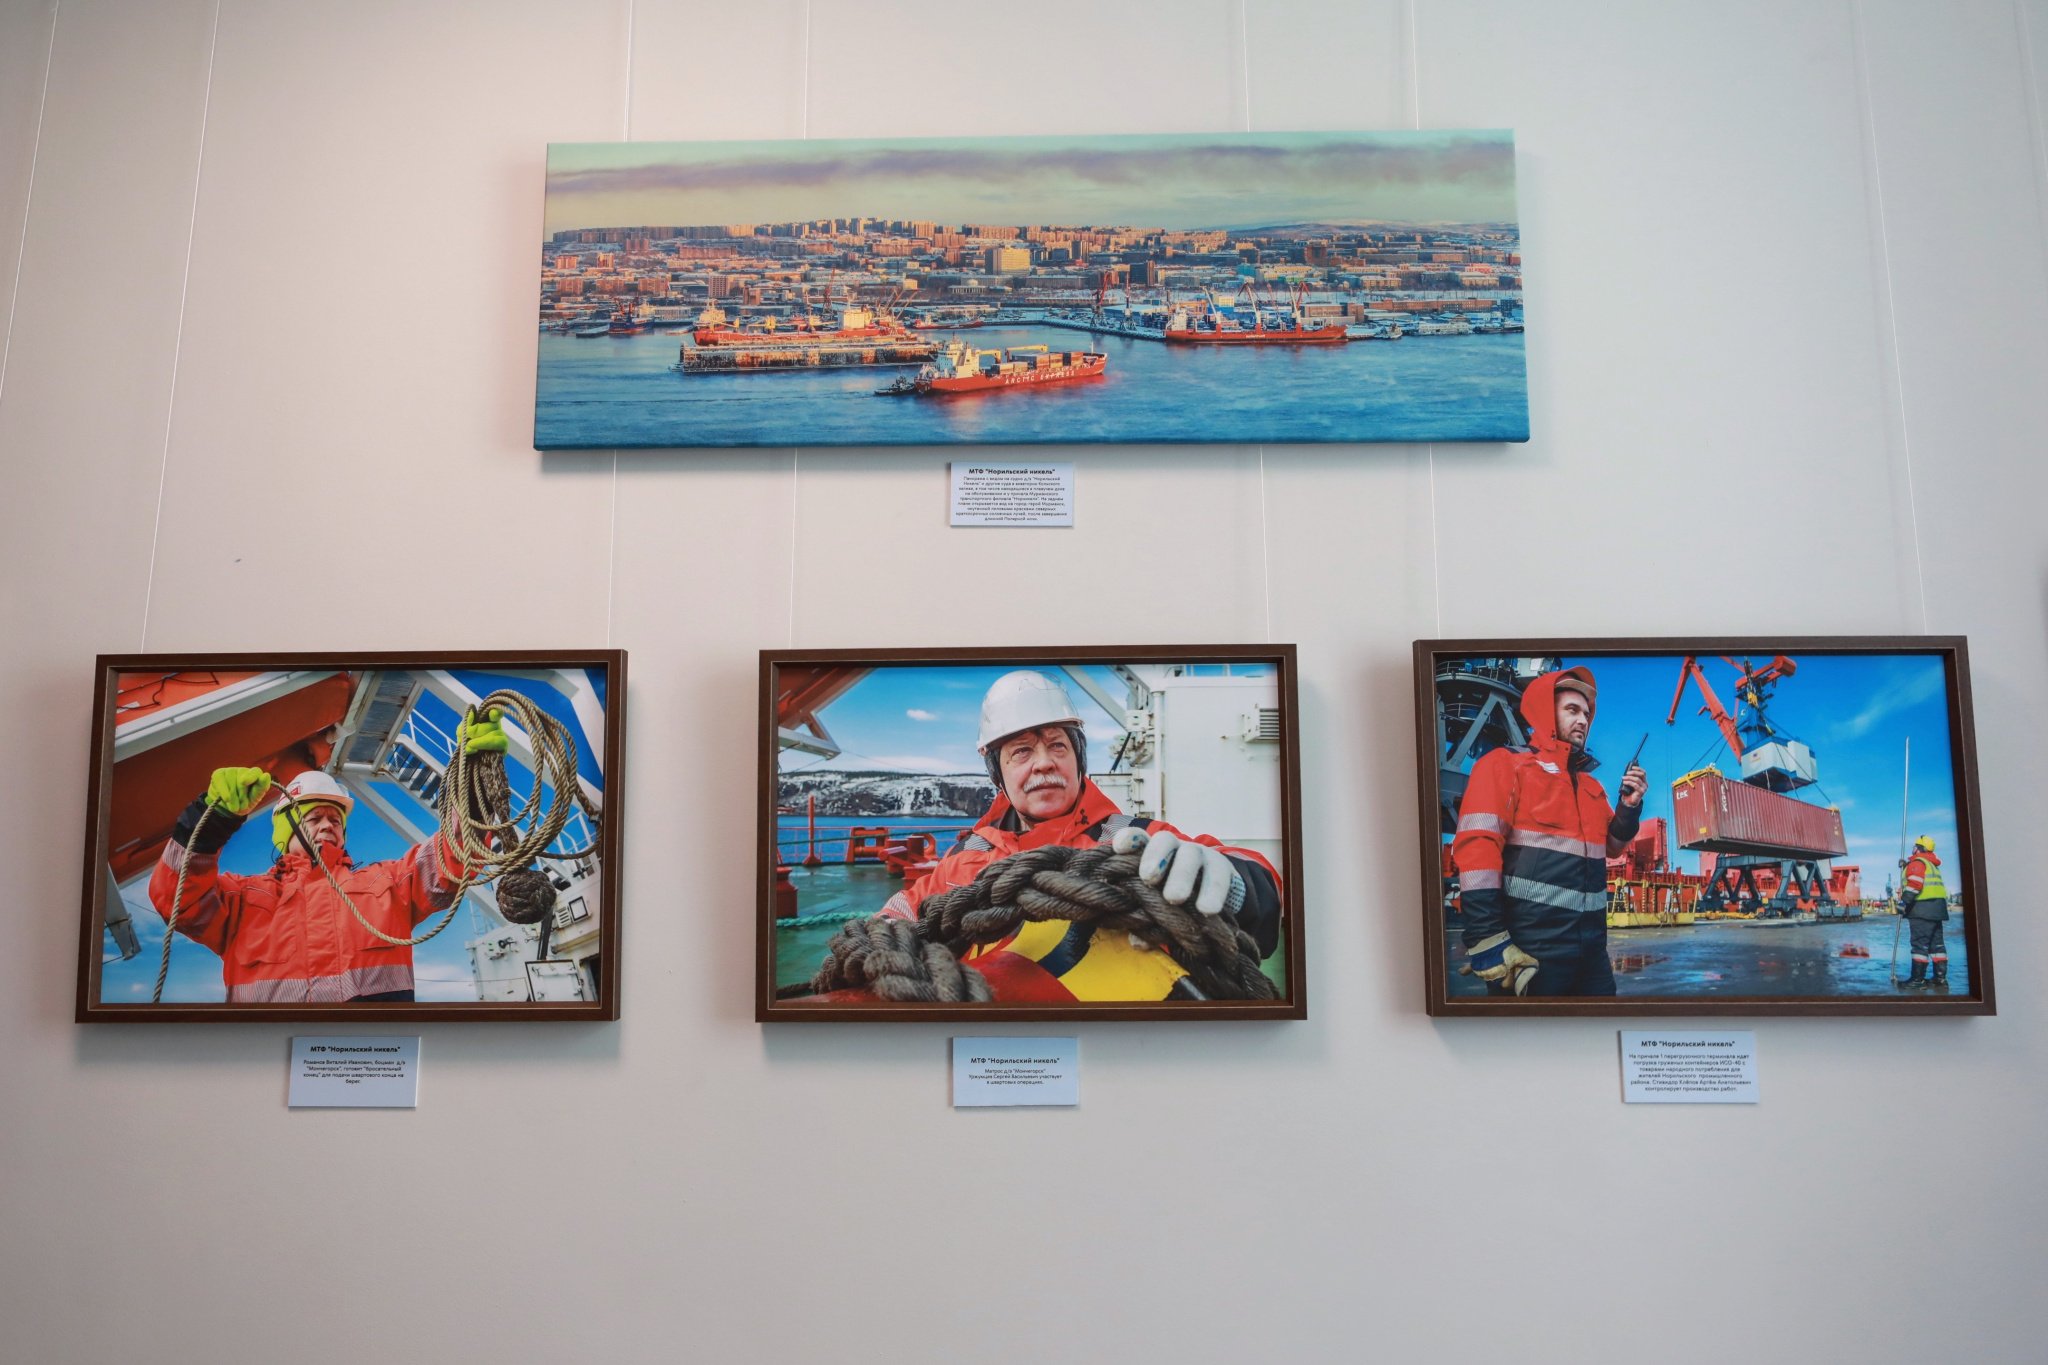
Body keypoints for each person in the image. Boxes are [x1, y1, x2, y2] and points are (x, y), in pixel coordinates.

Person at [870, 670, 1284, 1002]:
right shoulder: (965, 857)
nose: (1044, 763)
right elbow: (905, 909)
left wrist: (1234, 883)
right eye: (1021, 751)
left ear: (1078, 758)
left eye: (1058, 746)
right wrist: (884, 931)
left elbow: (1258, 883)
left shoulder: (1136, 840)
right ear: (998, 773)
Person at [146, 708, 508, 1003]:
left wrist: (473, 781)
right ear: (286, 832)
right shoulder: (241, 899)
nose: (327, 826)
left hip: (374, 1058)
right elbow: (178, 900)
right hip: (265, 1058)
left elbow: (450, 858)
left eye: (335, 820)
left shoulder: (389, 884)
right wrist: (210, 821)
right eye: (315, 818)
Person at [1450, 666, 1646, 996]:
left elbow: (1613, 846)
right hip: (1531, 952)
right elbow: (1477, 847)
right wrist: (1488, 940)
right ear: (1546, 713)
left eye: (1586, 714)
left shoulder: (1592, 788)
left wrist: (1629, 807)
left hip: (1592, 954)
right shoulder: (1507, 765)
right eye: (1572, 710)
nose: (1583, 720)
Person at [1897, 834, 1951, 988]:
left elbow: (1915, 884)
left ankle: (1917, 980)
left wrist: (1903, 902)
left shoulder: (1918, 863)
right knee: (1937, 946)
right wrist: (1906, 865)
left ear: (1919, 848)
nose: (1912, 848)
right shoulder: (1931, 864)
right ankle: (1940, 979)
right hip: (1937, 910)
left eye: (1914, 846)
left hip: (1921, 910)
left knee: (1919, 945)